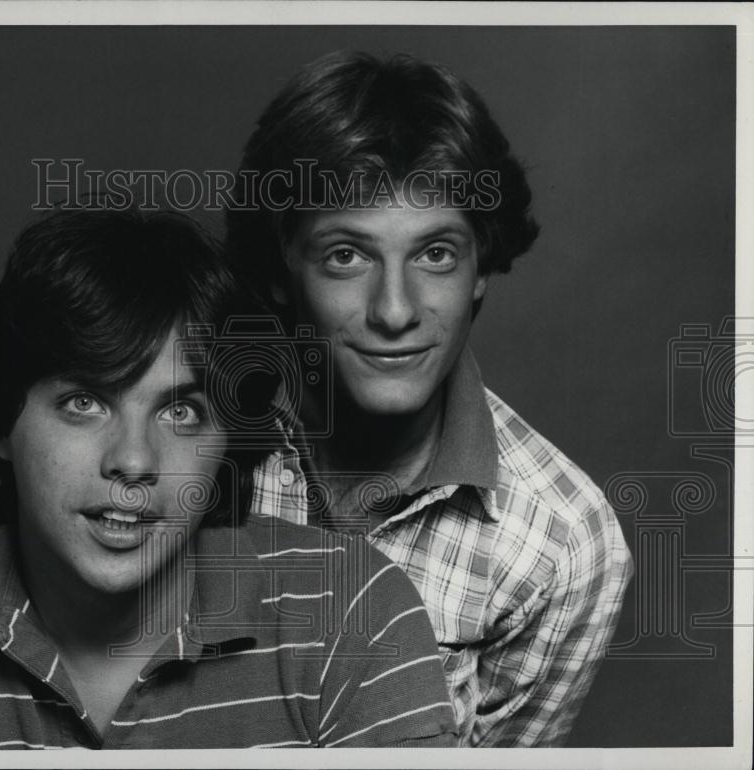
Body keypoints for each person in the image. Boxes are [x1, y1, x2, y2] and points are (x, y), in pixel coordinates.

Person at [0, 208, 457, 750]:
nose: (133, 460)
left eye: (183, 411)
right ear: (0, 422)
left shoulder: (351, 609)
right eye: (85, 402)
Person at [226, 50, 634, 747]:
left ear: (482, 266)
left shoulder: (564, 545)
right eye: (346, 256)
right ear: (280, 267)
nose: (395, 310)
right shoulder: (176, 439)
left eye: (435, 254)